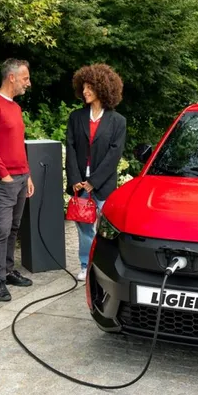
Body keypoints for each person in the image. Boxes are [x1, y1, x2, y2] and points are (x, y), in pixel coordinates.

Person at [0, 58, 35, 302]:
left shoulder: (15, 107)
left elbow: (18, 145)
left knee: (13, 227)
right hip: (4, 179)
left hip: (21, 177)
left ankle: (9, 270)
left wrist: (28, 174)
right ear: (11, 77)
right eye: (25, 78)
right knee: (1, 229)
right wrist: (4, 173)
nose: (28, 83)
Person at [65, 64, 126, 281]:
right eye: (83, 87)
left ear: (102, 88)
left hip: (103, 184)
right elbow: (70, 148)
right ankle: (86, 264)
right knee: (83, 227)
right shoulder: (76, 117)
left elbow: (114, 155)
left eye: (89, 87)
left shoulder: (118, 121)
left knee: (108, 230)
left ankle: (107, 265)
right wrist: (75, 179)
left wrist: (94, 181)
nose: (85, 91)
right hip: (79, 183)